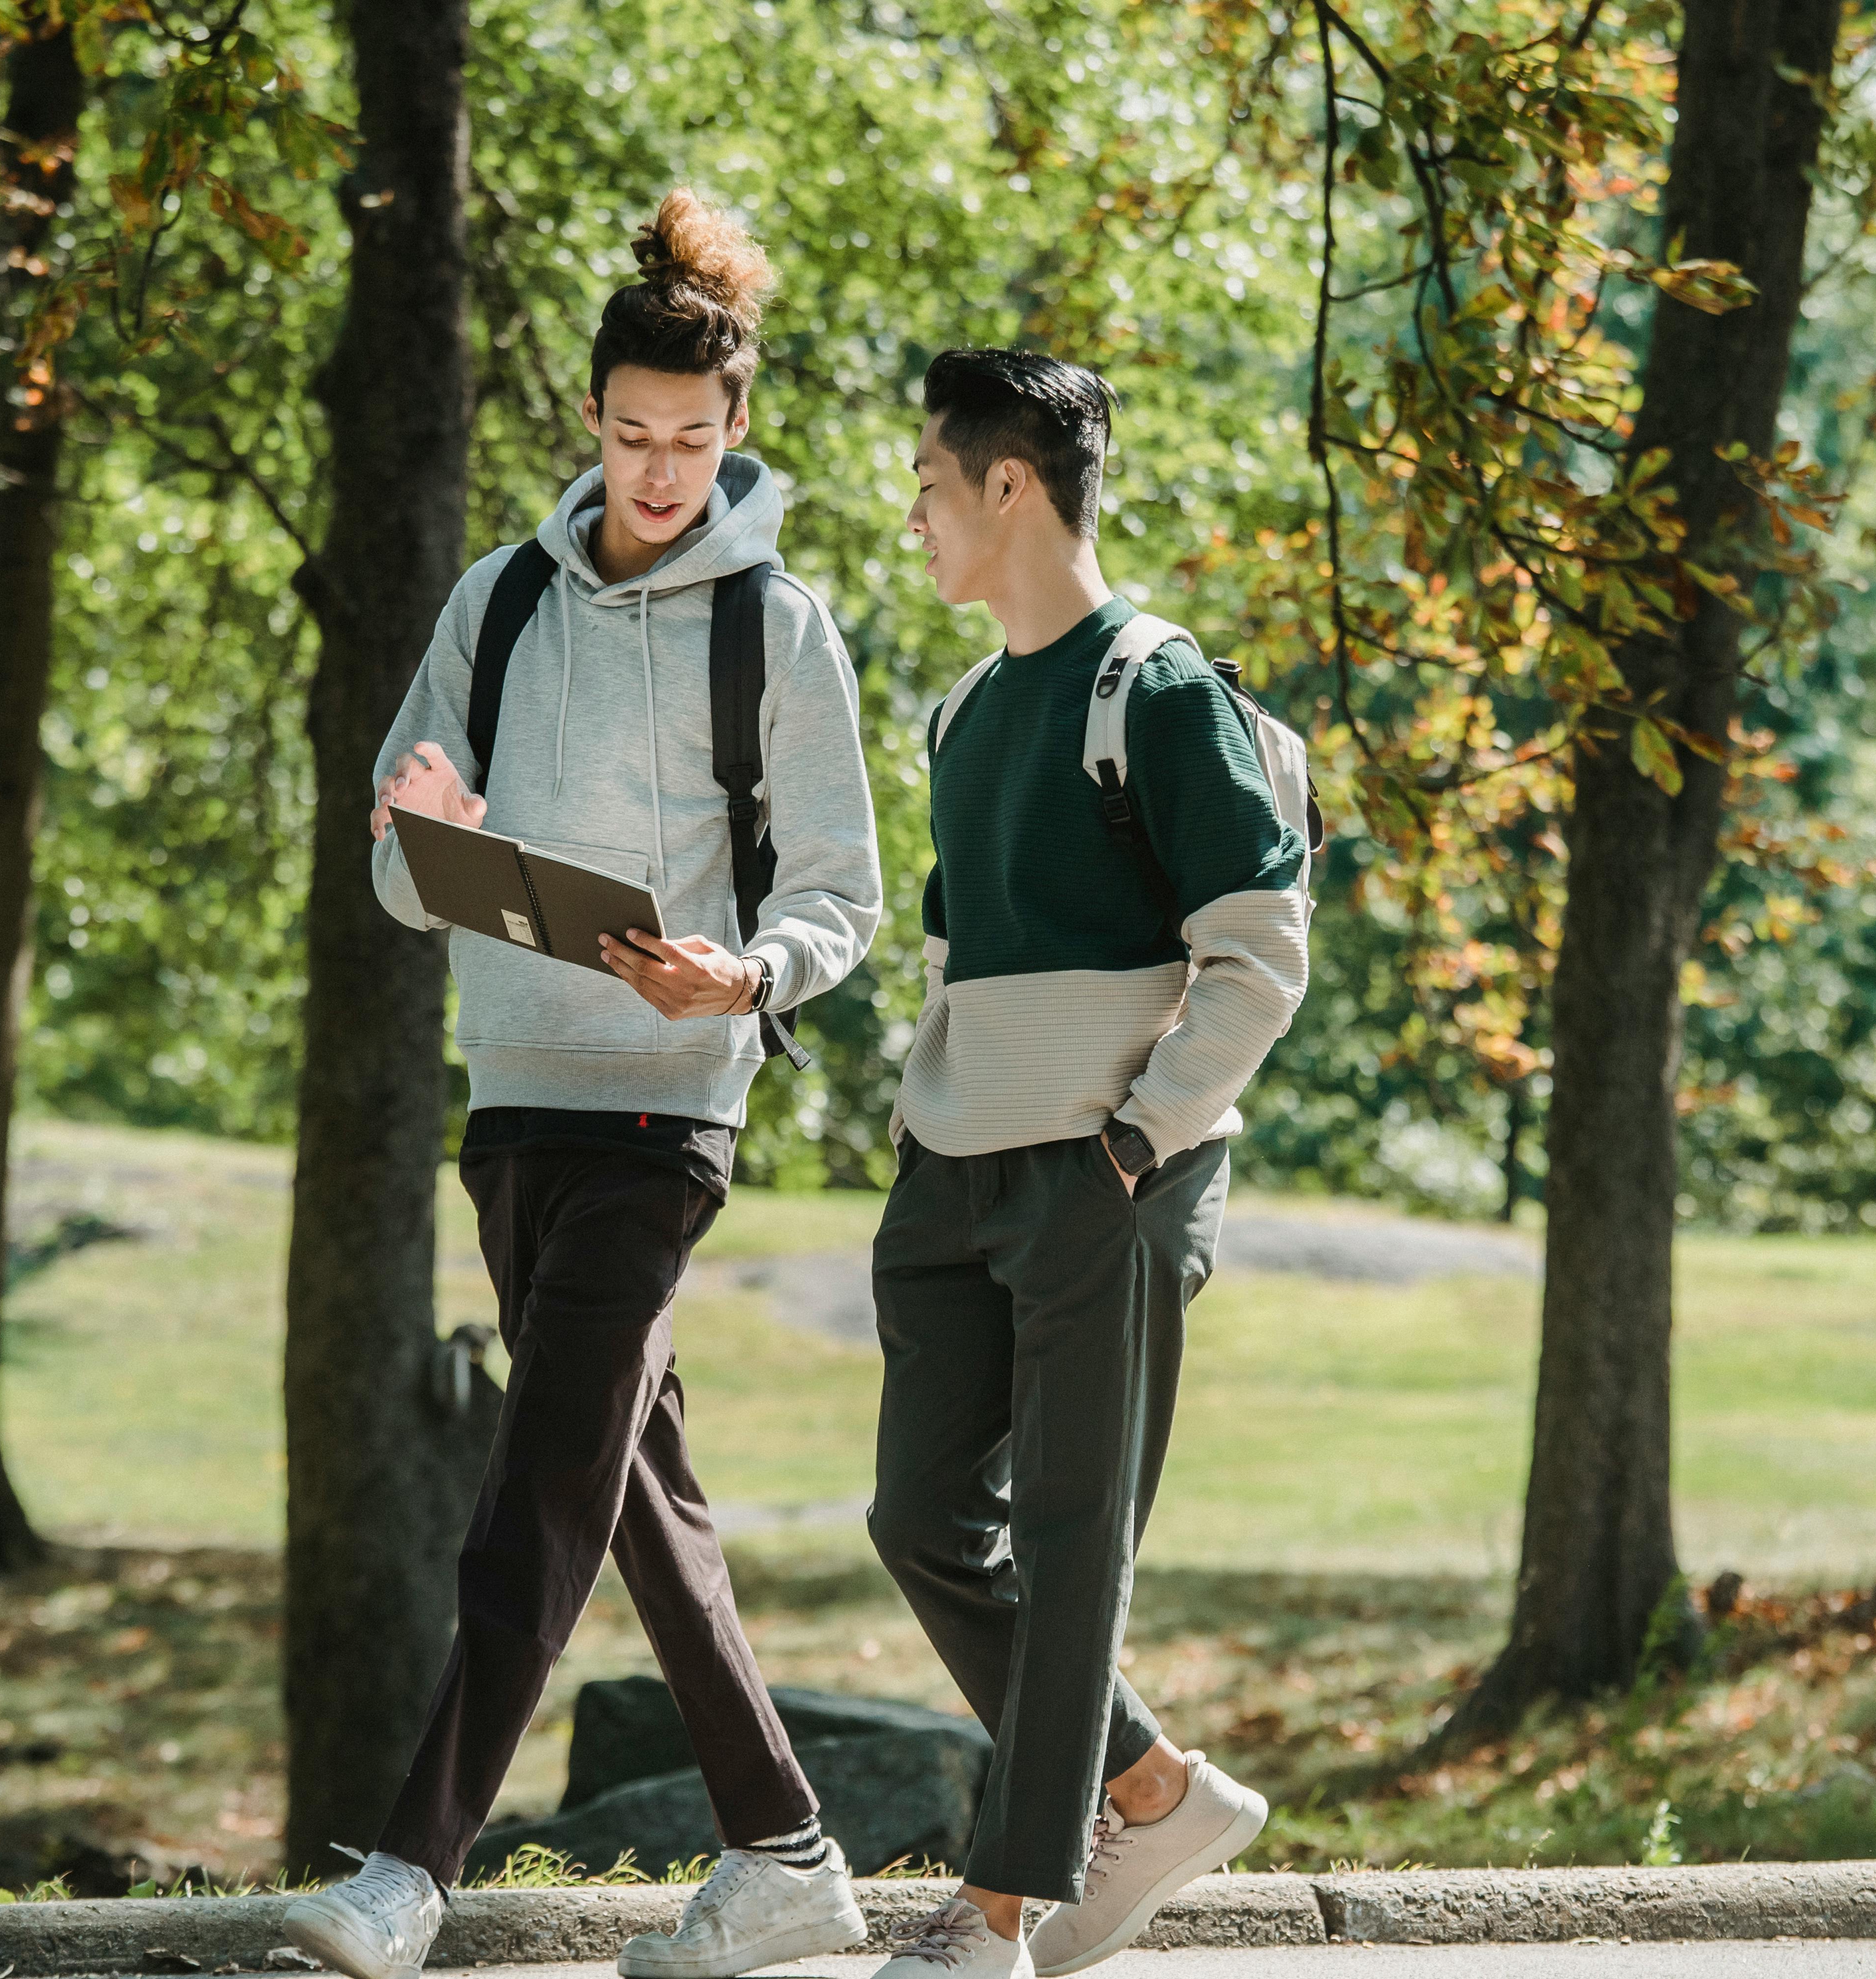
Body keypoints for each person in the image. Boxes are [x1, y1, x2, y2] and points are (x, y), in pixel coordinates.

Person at [281, 190, 884, 1979]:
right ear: (594, 421)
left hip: (668, 1109)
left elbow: (838, 892)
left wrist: (749, 971)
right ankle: (786, 1850)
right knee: (630, 1489)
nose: (661, 471)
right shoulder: (501, 599)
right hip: (517, 1101)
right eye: (633, 436)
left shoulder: (777, 630)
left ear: (737, 431)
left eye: (693, 442)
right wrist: (429, 834)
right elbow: (396, 863)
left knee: (541, 1479)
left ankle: (410, 1867)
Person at [862, 350, 1310, 1979]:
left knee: (1068, 1540)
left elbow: (1261, 952)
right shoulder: (966, 711)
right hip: (955, 1168)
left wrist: (1140, 1136)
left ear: (1010, 485)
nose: (913, 512)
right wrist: (920, 1126)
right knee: (919, 1516)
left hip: (1106, 1174)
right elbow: (950, 954)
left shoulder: (1156, 687)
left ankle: (1001, 1904)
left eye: (930, 479)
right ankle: (1157, 1788)